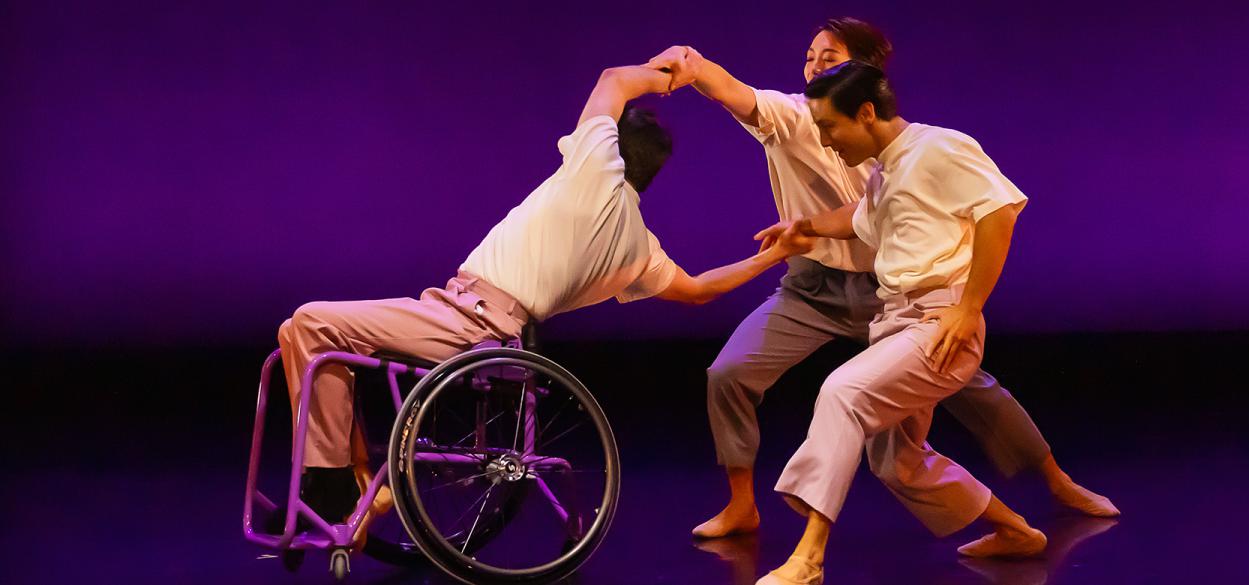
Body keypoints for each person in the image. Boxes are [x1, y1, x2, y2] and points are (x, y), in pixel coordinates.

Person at [273, 64, 817, 528]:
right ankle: (341, 483)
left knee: (312, 321)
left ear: (615, 149)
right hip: (465, 314)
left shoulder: (595, 172)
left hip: (470, 320)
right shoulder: (638, 246)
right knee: (298, 335)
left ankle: (326, 486)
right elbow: (699, 290)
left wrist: (674, 71)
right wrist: (772, 255)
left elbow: (613, 80)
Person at [644, 18, 1116, 541]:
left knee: (971, 388)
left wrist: (967, 306)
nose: (815, 67)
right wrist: (690, 64)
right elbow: (734, 93)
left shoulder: (903, 145)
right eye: (810, 57)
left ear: (868, 81)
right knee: (730, 374)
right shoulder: (798, 116)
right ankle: (743, 507)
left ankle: (1056, 482)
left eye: (831, 58)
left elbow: (979, 211)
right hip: (813, 289)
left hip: (887, 294)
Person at [752, 61, 1049, 584]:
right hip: (898, 322)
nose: (824, 140)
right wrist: (803, 227)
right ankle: (1016, 531)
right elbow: (858, 216)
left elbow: (999, 213)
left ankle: (808, 559)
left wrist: (969, 305)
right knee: (897, 462)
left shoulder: (939, 147)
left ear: (866, 113)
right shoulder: (887, 170)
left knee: (843, 392)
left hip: (939, 325)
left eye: (828, 127)